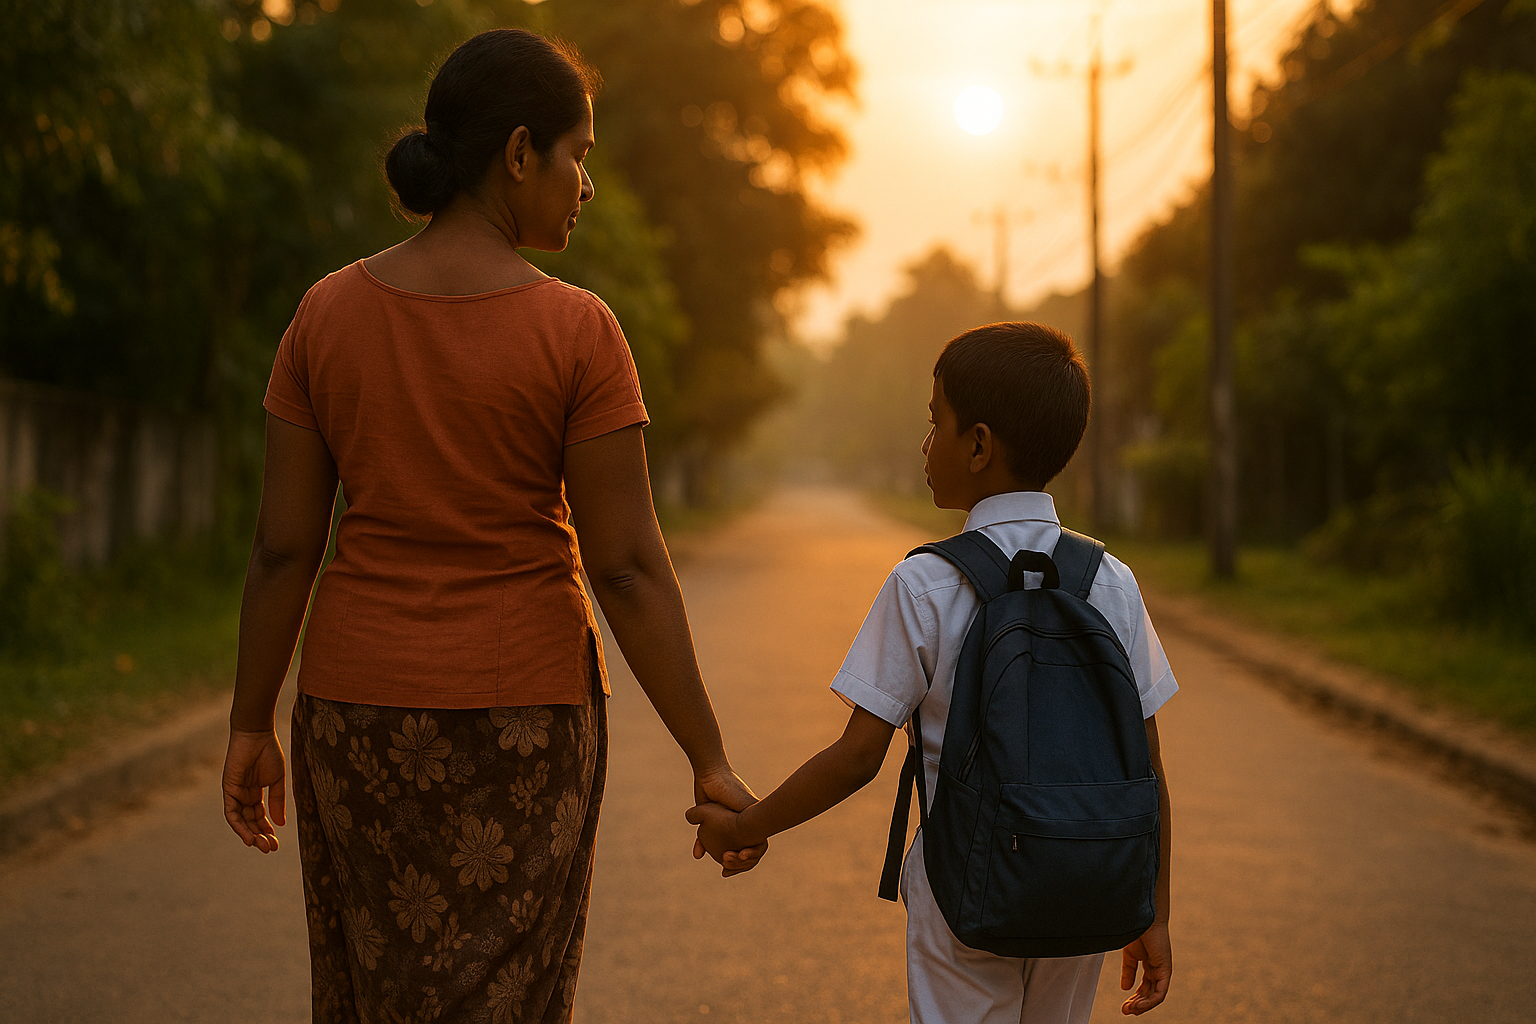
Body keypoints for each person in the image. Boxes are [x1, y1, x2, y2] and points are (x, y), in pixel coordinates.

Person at [220, 28, 763, 1024]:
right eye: (579, 156)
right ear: (520, 153)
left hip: (352, 711)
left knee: (372, 990)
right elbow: (631, 570)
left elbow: (283, 548)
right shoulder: (578, 331)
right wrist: (709, 757)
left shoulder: (324, 315)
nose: (585, 186)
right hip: (527, 728)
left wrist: (252, 721)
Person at [689, 322, 1178, 1023]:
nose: (924, 444)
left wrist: (747, 826)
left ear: (978, 445)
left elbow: (858, 757)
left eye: (934, 423)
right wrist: (1152, 910)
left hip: (963, 883)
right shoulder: (1111, 581)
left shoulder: (926, 583)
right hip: (1085, 880)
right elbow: (1149, 770)